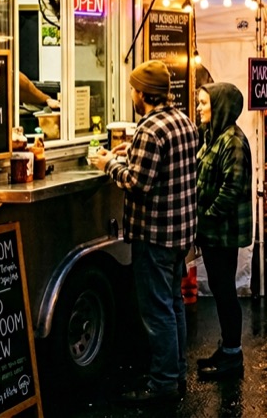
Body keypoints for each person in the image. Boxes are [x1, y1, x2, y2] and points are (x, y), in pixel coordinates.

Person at [94, 61, 198, 404]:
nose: (132, 95)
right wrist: (130, 151)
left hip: (154, 235)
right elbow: (164, 166)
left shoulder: (150, 129)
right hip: (180, 232)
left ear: (142, 93)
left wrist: (108, 163)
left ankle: (164, 383)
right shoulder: (183, 121)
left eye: (133, 89)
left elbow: (138, 183)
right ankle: (177, 371)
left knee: (157, 311)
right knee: (173, 304)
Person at [192, 83, 252, 379]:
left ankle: (232, 357)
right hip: (213, 230)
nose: (200, 107)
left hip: (222, 231)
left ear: (220, 106)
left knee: (225, 290)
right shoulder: (213, 136)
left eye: (204, 103)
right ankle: (228, 348)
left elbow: (231, 189)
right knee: (219, 287)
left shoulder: (233, 142)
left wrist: (207, 217)